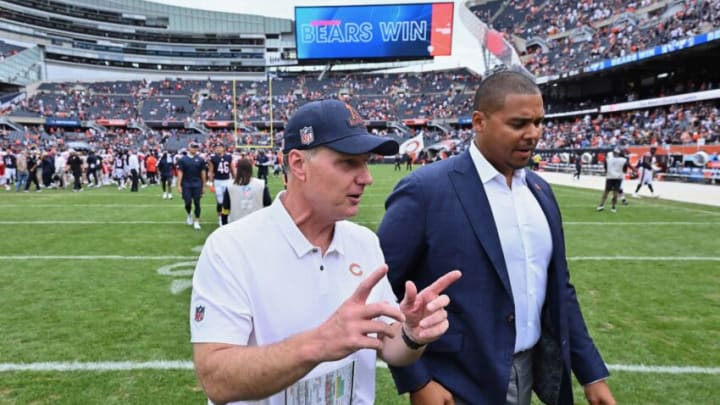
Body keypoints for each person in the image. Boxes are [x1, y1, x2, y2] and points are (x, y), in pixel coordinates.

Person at [190, 99, 462, 405]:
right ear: (298, 164)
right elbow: (217, 379)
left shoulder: (363, 242)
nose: (367, 177)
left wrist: (412, 332)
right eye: (348, 162)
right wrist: (319, 343)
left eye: (366, 162)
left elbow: (391, 346)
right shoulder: (231, 247)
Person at [377, 70, 616, 405]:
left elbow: (559, 290)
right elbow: (381, 290)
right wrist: (418, 381)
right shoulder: (425, 190)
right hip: (454, 382)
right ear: (480, 121)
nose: (533, 134)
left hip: (528, 371)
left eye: (538, 122)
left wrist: (591, 372)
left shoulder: (540, 192)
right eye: (519, 124)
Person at [221, 158, 271, 224]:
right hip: (257, 222)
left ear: (238, 169)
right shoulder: (261, 184)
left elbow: (225, 208)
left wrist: (224, 223)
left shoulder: (230, 185)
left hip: (236, 223)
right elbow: (268, 203)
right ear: (251, 169)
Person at [177, 142, 207, 230]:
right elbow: (180, 172)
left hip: (197, 184)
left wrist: (204, 185)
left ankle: (197, 221)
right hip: (186, 184)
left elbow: (203, 173)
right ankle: (189, 214)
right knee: (187, 202)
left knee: (197, 203)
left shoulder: (200, 159)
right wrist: (179, 185)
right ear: (189, 148)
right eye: (193, 147)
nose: (194, 149)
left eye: (196, 147)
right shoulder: (183, 159)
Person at [207, 142, 234, 226]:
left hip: (227, 180)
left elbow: (232, 168)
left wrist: (235, 179)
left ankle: (227, 216)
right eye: (216, 147)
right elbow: (211, 171)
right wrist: (211, 183)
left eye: (220, 147)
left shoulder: (228, 157)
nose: (218, 149)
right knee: (220, 201)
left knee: (228, 200)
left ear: (223, 148)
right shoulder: (213, 158)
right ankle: (220, 218)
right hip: (218, 181)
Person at [597, 149, 629, 213]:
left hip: (610, 177)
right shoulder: (623, 160)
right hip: (618, 178)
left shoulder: (608, 160)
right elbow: (625, 169)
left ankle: (601, 205)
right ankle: (613, 207)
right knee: (615, 193)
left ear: (613, 153)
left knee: (606, 192)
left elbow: (605, 168)